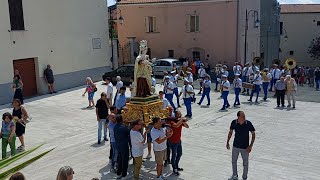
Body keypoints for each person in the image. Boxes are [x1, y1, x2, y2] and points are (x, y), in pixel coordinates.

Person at [226, 111, 255, 180]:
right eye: (243, 116)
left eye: (244, 116)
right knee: (234, 161)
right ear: (238, 117)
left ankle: (244, 178)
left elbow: (253, 134)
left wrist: (250, 146)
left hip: (245, 148)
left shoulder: (248, 123)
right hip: (235, 146)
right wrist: (227, 142)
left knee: (245, 164)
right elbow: (230, 132)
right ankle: (235, 175)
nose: (244, 117)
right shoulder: (234, 122)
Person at [168, 111, 189, 176]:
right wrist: (182, 119)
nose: (180, 115)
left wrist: (183, 121)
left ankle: (176, 165)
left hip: (178, 140)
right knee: (174, 155)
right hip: (173, 141)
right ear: (175, 115)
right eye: (178, 114)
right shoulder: (172, 121)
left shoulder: (180, 121)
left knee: (180, 153)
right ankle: (174, 168)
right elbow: (176, 126)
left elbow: (187, 126)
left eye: (180, 114)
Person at [114, 115, 130, 179]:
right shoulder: (123, 128)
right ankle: (124, 175)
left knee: (120, 160)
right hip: (124, 146)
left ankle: (119, 173)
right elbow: (128, 133)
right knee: (125, 160)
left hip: (118, 146)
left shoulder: (115, 127)